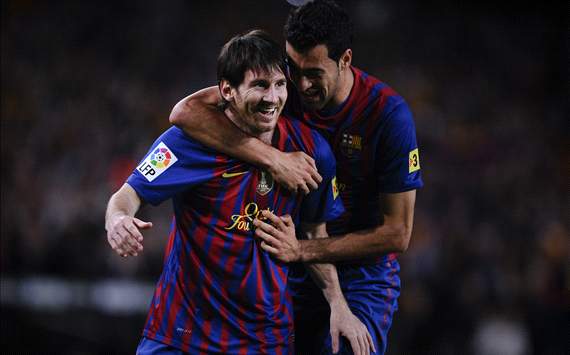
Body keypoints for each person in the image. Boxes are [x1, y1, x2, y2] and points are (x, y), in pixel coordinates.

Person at [168, 1, 423, 354]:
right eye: (294, 68)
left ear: (345, 60)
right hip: (288, 267)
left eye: (314, 73)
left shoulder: (388, 116)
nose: (301, 85)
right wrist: (272, 158)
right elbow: (186, 111)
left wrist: (302, 249)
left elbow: (398, 233)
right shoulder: (280, 88)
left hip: (359, 274)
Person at [105, 29, 374, 354]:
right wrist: (118, 220)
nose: (273, 98)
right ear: (227, 91)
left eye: (278, 85)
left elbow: (315, 232)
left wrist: (338, 304)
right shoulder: (187, 143)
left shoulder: (312, 152)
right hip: (182, 336)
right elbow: (128, 194)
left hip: (263, 341)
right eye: (259, 85)